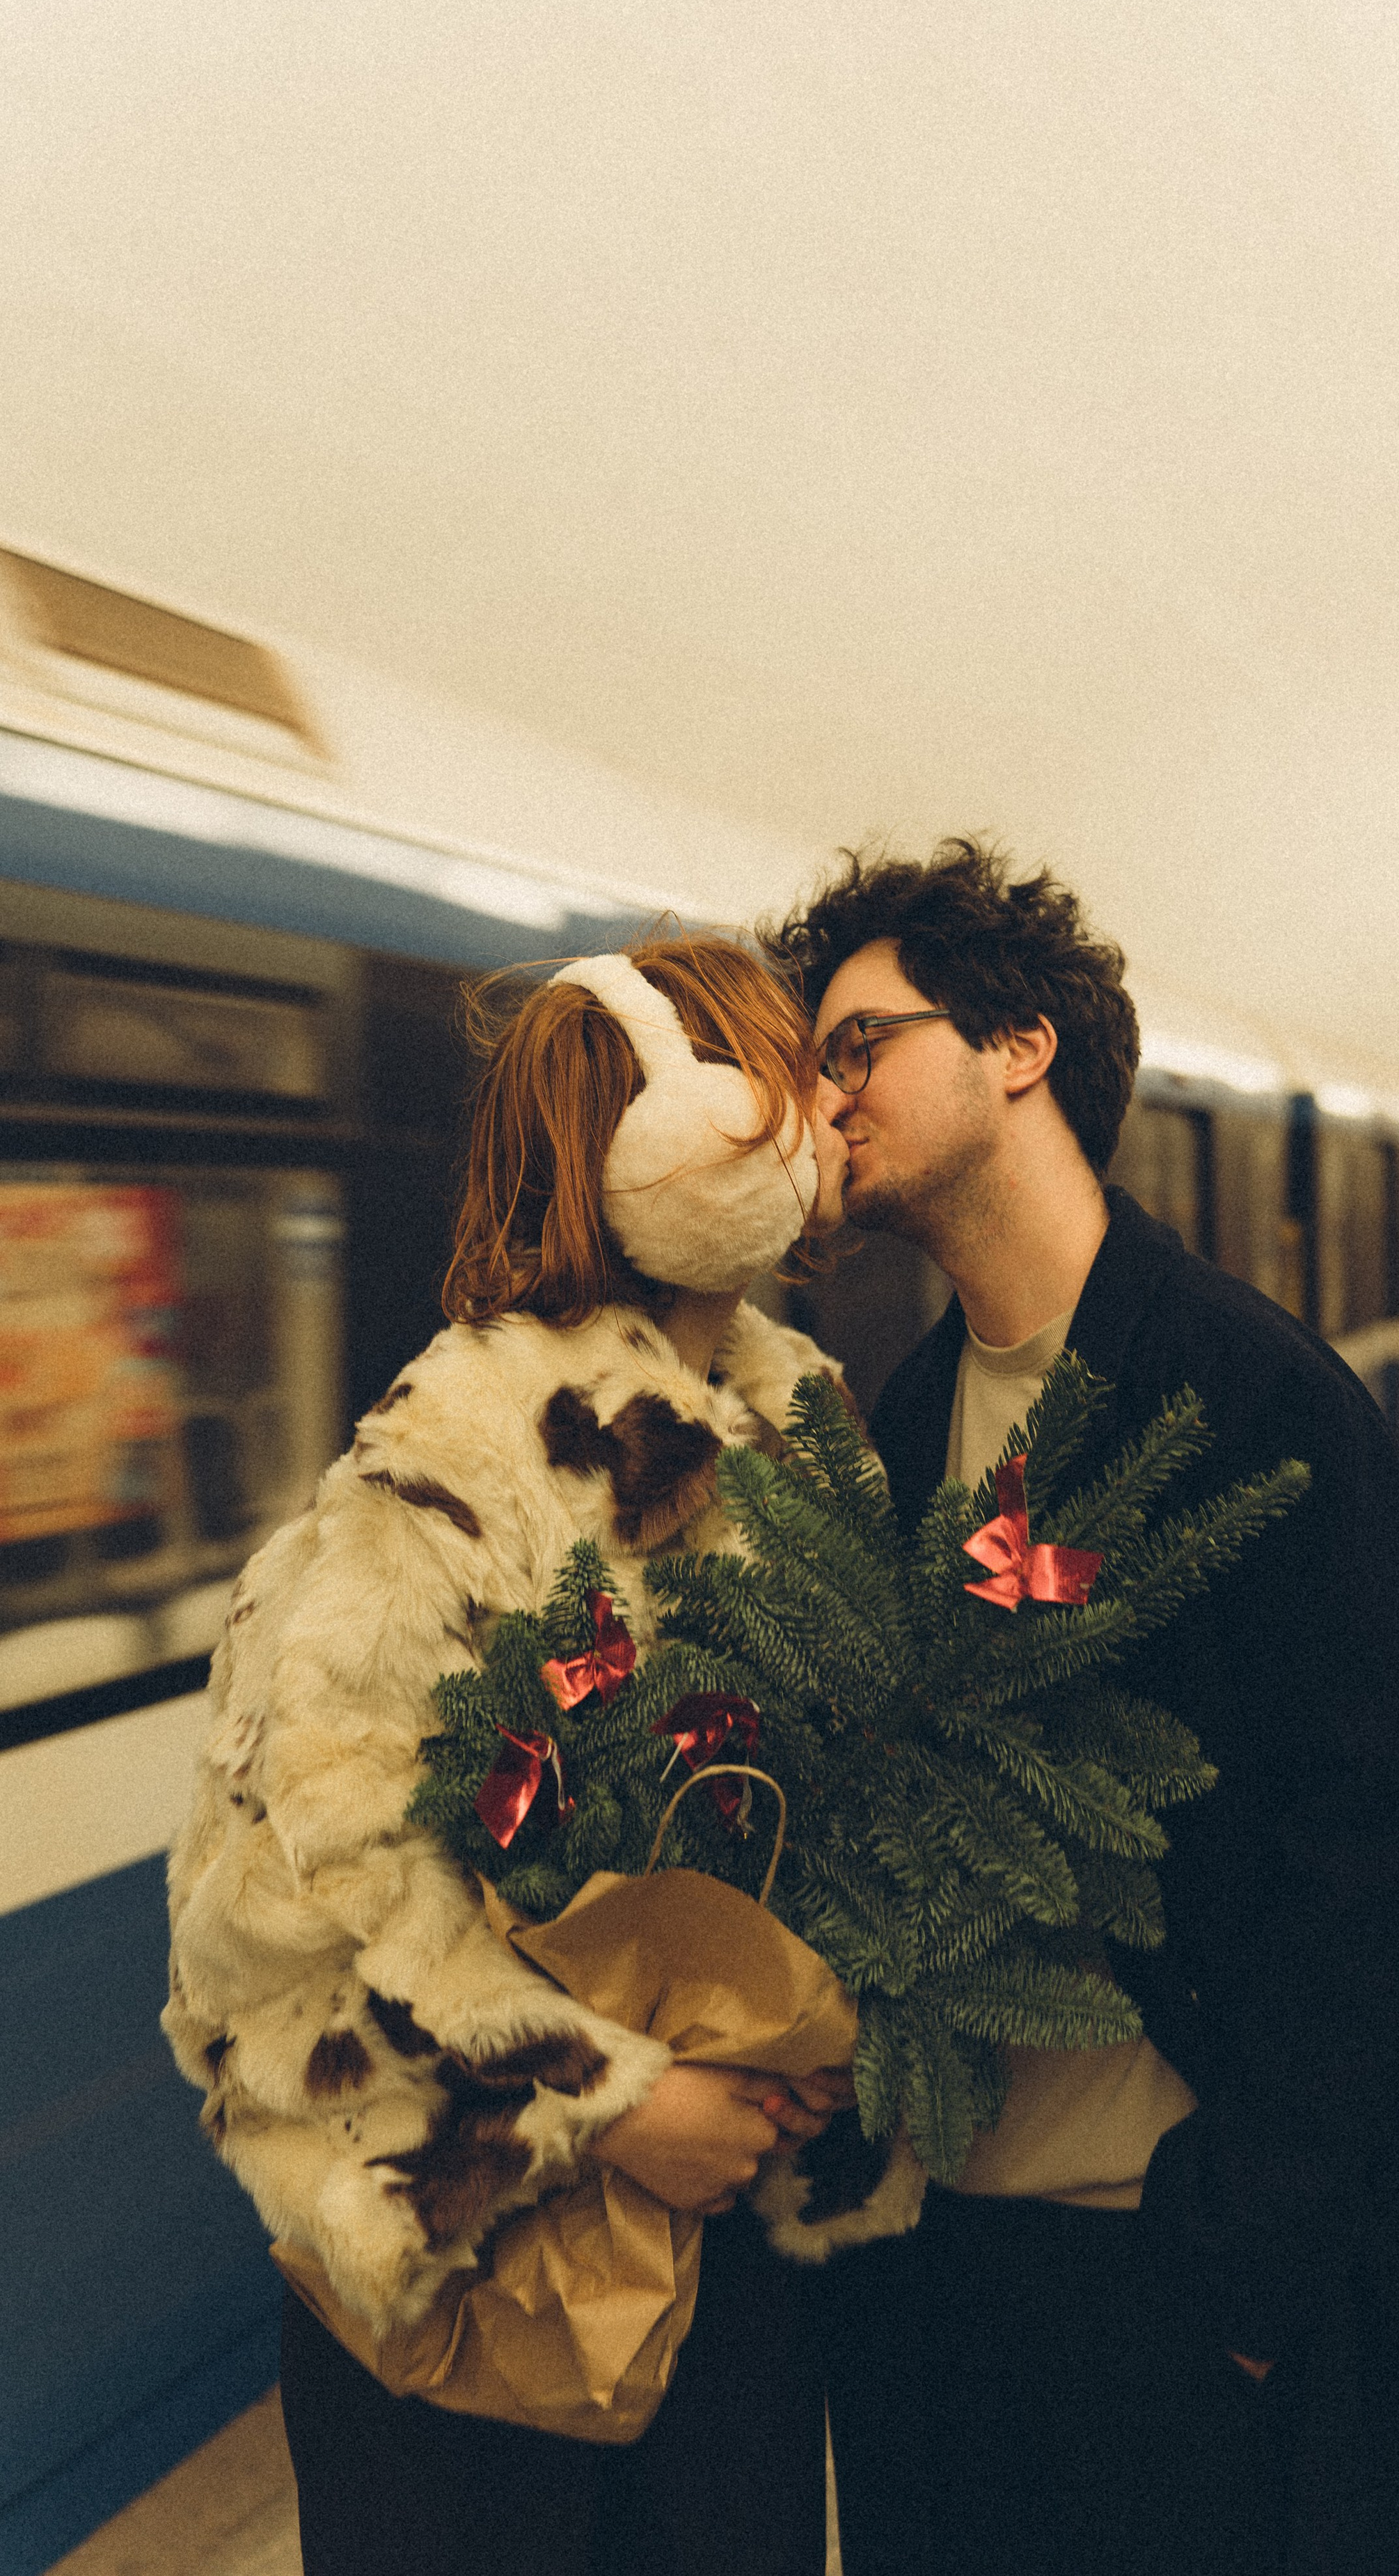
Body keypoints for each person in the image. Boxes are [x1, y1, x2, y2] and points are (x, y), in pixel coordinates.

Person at [768, 843, 1399, 2576]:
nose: (825, 1101)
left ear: (1017, 1046)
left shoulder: (1252, 1393)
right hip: (953, 2277)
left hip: (1172, 2273)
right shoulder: (905, 1417)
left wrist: (1239, 2251)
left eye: (857, 1045)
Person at [164, 938, 854, 2576]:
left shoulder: (794, 1415)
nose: (814, 1117)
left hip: (726, 2249)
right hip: (481, 2282)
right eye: (773, 1077)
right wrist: (616, 2100)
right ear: (666, 1138)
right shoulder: (453, 1455)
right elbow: (328, 1879)